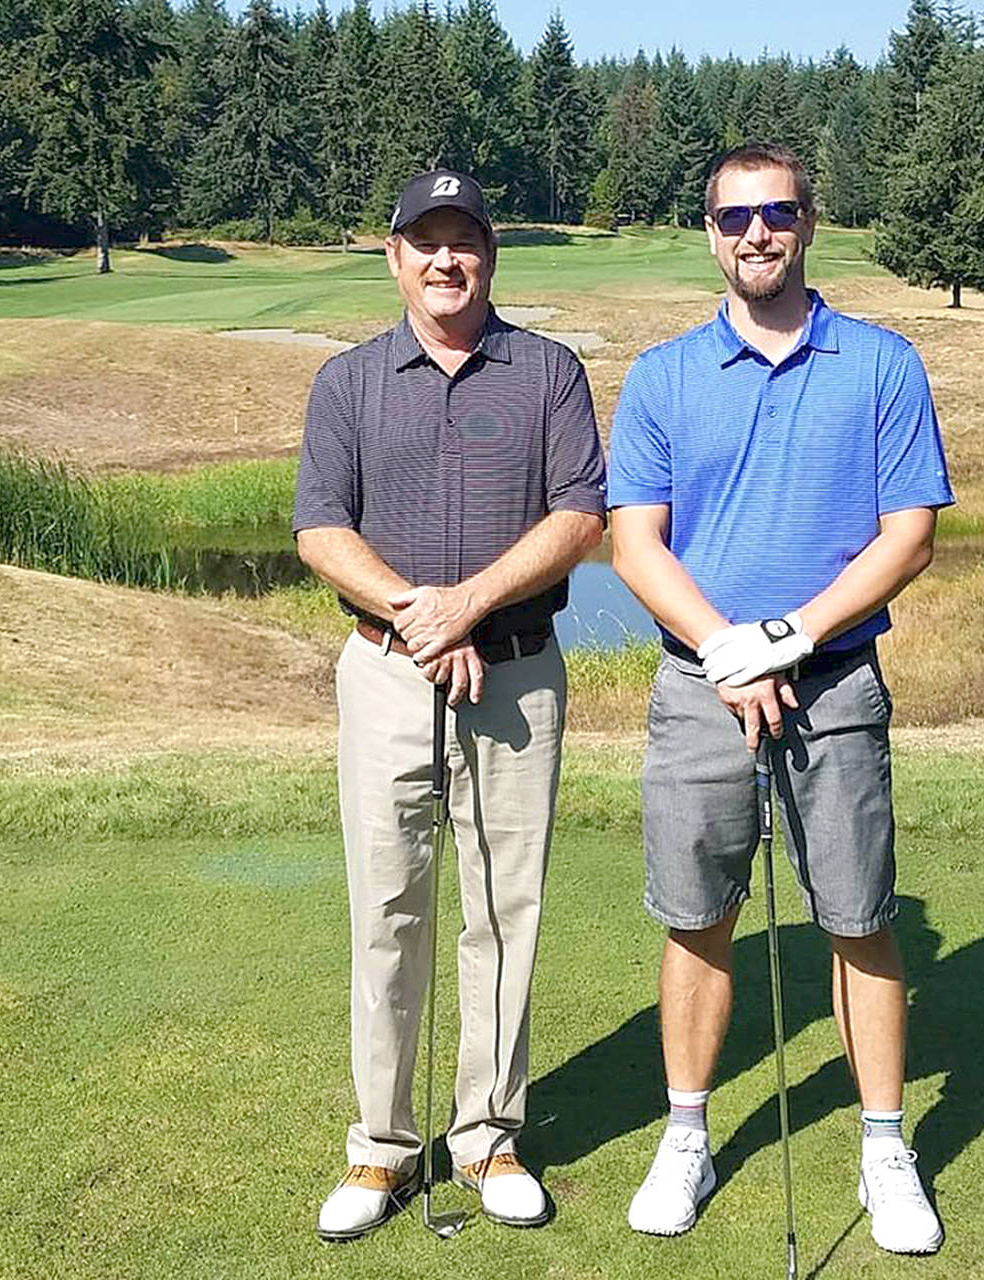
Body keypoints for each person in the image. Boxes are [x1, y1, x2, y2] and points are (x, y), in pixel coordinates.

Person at [607, 142, 955, 1255]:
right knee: (694, 914)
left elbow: (908, 534)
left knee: (856, 917)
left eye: (775, 212)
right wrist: (725, 649)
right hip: (696, 686)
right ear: (706, 231)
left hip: (835, 680)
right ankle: (687, 1133)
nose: (753, 232)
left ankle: (884, 1142)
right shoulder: (662, 374)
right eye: (731, 217)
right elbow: (632, 540)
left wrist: (791, 635)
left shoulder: (881, 363)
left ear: (808, 221)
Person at [293, 168, 605, 1240]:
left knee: (502, 912)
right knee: (387, 912)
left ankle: (487, 1135)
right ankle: (380, 1148)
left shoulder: (549, 372)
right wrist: (420, 617)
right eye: (422, 241)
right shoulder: (347, 382)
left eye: (461, 239)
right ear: (392, 257)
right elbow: (319, 529)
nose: (443, 259)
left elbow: (579, 515)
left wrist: (468, 606)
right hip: (385, 672)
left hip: (516, 672)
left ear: (489, 254)